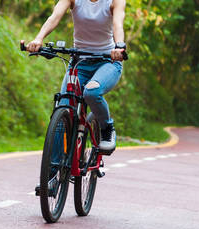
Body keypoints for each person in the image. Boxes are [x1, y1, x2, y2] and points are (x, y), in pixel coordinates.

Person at [24, 0, 127, 153]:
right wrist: (39, 38)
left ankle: (107, 129)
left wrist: (119, 46)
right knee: (63, 110)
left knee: (91, 92)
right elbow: (54, 17)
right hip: (79, 62)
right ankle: (53, 172)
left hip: (108, 61)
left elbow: (118, 23)